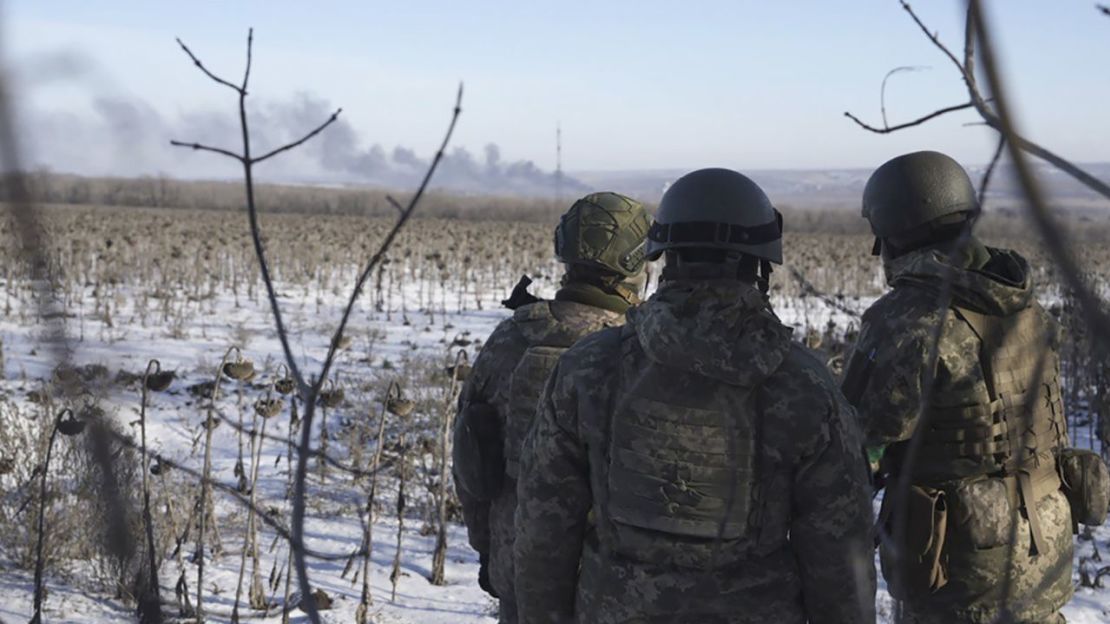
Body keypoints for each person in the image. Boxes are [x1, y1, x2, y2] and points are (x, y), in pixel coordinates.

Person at [514, 168, 876, 624]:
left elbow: (544, 530)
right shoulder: (804, 386)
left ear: (662, 256)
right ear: (760, 264)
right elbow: (840, 557)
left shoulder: (587, 368)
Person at [842, 150, 1080, 623]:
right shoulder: (1026, 307)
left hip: (961, 574)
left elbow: (856, 441)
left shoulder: (907, 321)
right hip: (1047, 551)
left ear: (894, 233)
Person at [452, 191, 650, 623]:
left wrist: (489, 551)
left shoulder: (511, 338)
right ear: (635, 263)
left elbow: (470, 461)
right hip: (616, 590)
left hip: (519, 574)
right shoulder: (644, 351)